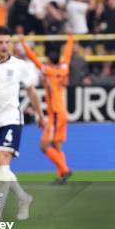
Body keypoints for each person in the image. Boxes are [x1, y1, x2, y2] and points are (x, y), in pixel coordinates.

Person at [0, 25, 45, 222]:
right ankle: (23, 197)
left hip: (12, 118)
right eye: (1, 42)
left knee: (3, 166)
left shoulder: (20, 65)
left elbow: (32, 92)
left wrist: (39, 115)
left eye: (7, 42)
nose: (5, 46)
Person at [20, 34, 74, 184]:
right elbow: (68, 54)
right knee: (57, 145)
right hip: (62, 112)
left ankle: (64, 169)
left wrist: (23, 43)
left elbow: (33, 58)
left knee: (43, 146)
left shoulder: (48, 70)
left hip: (55, 113)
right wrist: (70, 38)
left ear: (49, 60)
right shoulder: (64, 68)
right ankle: (61, 176)